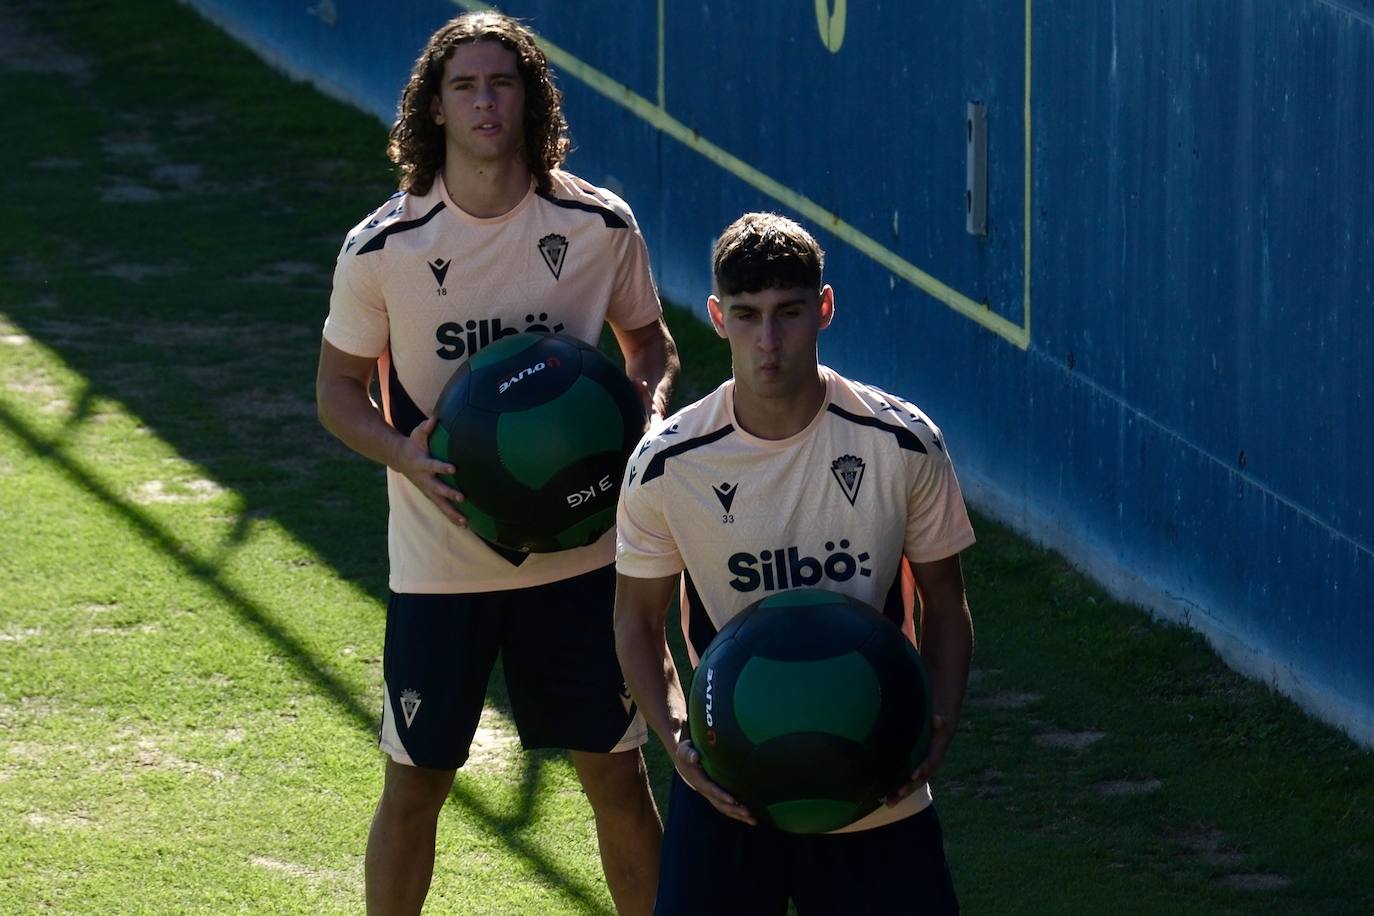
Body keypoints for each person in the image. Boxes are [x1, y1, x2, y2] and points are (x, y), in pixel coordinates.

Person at [316, 11, 678, 915]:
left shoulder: (597, 225)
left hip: (585, 558)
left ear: (530, 101)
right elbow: (336, 393)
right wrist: (406, 454)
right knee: (417, 785)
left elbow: (653, 347)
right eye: (465, 86)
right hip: (441, 569)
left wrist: (646, 422)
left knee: (616, 775)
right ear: (433, 108)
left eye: (502, 83)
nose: (485, 101)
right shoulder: (384, 248)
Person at [613, 212, 973, 914]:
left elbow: (946, 602)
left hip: (875, 780)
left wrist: (940, 720)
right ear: (717, 316)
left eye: (789, 313)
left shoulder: (899, 443)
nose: (768, 342)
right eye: (746, 316)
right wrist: (678, 734)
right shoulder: (665, 467)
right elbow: (636, 620)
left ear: (825, 309)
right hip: (728, 785)